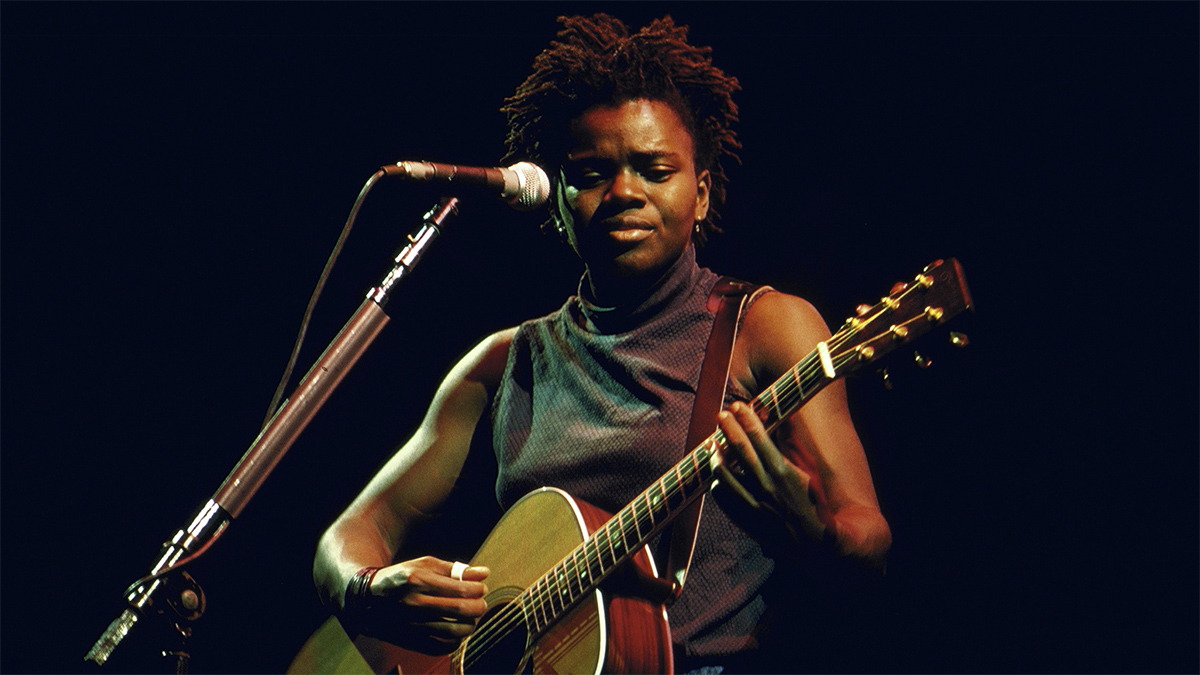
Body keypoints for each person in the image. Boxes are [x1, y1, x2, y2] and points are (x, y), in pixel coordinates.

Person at [313, 13, 891, 673]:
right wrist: (368, 589)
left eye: (654, 170)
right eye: (590, 173)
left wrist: (815, 526)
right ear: (557, 203)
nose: (623, 193)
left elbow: (868, 537)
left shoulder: (765, 326)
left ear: (701, 193)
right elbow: (348, 535)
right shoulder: (504, 364)